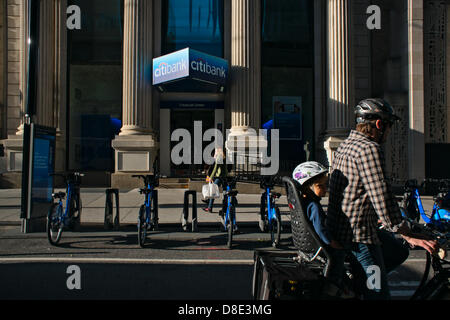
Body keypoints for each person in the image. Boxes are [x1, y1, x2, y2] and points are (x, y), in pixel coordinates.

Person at [327, 98, 438, 300]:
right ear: (380, 124)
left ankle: (358, 286)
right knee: (378, 294)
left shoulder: (346, 146)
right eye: (389, 126)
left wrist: (399, 230)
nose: (389, 131)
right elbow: (383, 198)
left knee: (397, 251)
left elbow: (359, 192)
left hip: (343, 228)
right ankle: (368, 289)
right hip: (359, 237)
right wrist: (406, 231)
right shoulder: (369, 149)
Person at [292, 161, 353, 298]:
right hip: (320, 246)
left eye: (326, 184)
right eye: (321, 185)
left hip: (309, 245)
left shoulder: (304, 202)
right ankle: (333, 285)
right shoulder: (313, 206)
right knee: (339, 255)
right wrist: (332, 243)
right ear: (307, 187)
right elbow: (320, 229)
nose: (325, 188)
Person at [203, 148, 228, 213]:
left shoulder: (219, 157)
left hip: (219, 177)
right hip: (224, 176)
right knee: (225, 193)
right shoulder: (224, 157)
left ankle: (209, 207)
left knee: (213, 192)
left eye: (216, 151)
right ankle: (224, 209)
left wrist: (211, 177)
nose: (215, 152)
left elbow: (215, 168)